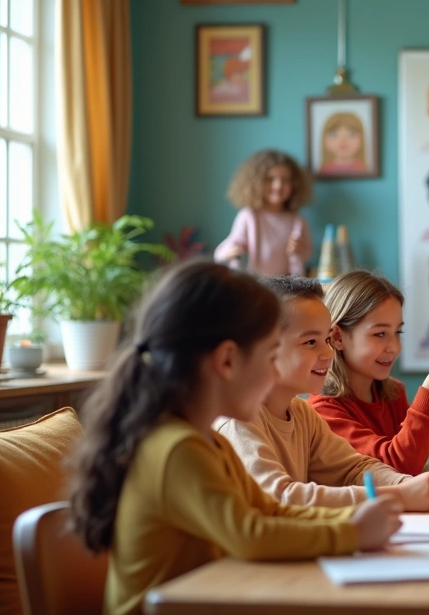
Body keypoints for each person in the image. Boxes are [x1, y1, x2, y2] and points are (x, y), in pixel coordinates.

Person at [68, 260, 403, 615]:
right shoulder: (177, 448)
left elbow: (271, 510)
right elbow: (250, 535)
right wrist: (352, 534)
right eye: (271, 355)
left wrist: (353, 521)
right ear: (227, 360)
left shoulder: (210, 443)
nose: (274, 373)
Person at [216, 275, 429, 510]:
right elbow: (279, 498)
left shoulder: (302, 414)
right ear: (262, 347)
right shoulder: (236, 421)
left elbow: (354, 469)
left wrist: (407, 484)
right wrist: (400, 495)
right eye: (311, 342)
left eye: (326, 340)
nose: (329, 353)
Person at [309, 270, 429, 477]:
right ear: (338, 337)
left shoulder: (393, 393)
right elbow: (396, 466)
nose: (395, 347)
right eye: (380, 334)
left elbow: (407, 465)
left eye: (398, 332)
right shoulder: (322, 412)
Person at [214, 150, 313, 276]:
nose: (278, 185)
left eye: (285, 180)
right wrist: (229, 253)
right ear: (256, 183)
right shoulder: (249, 216)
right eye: (270, 179)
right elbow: (225, 251)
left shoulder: (297, 220)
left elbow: (307, 253)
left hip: (288, 283)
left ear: (294, 184)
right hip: (257, 283)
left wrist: (300, 250)